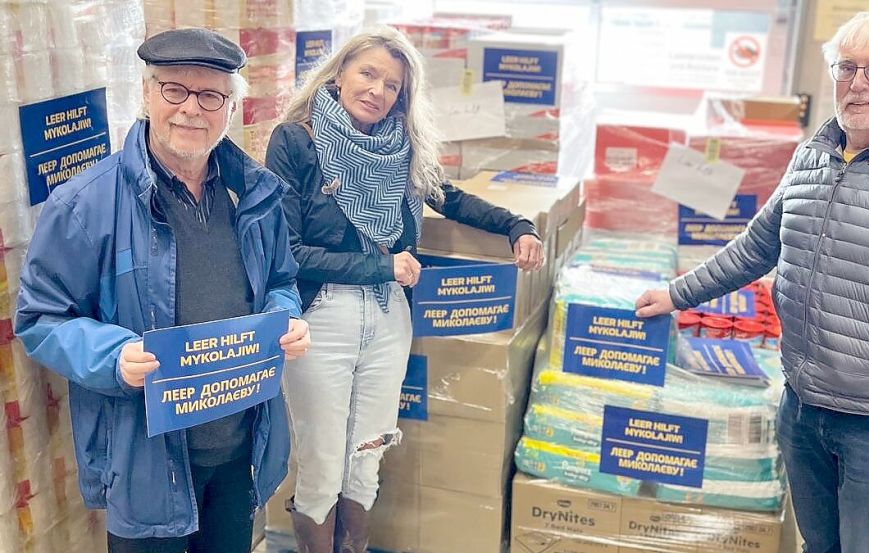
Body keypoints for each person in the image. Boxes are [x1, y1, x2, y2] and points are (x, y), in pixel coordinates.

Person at [635, 11, 869, 553]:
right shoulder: (815, 153)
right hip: (802, 400)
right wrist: (677, 294)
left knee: (866, 545)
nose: (858, 83)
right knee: (818, 543)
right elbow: (758, 246)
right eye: (847, 67)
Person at [15, 28, 311, 553]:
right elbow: (40, 318)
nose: (191, 109)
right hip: (148, 465)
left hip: (238, 452)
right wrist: (113, 356)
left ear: (230, 108)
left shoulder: (254, 195)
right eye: (174, 89)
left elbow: (281, 281)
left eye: (210, 96)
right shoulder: (85, 205)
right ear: (147, 94)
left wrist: (284, 315)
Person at [264, 26, 545, 553]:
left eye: (392, 85)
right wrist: (381, 265)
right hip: (321, 316)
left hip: (389, 315)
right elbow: (289, 253)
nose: (377, 91)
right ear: (339, 73)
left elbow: (450, 198)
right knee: (323, 463)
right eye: (368, 74)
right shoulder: (296, 141)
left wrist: (517, 225)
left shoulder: (403, 149)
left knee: (367, 458)